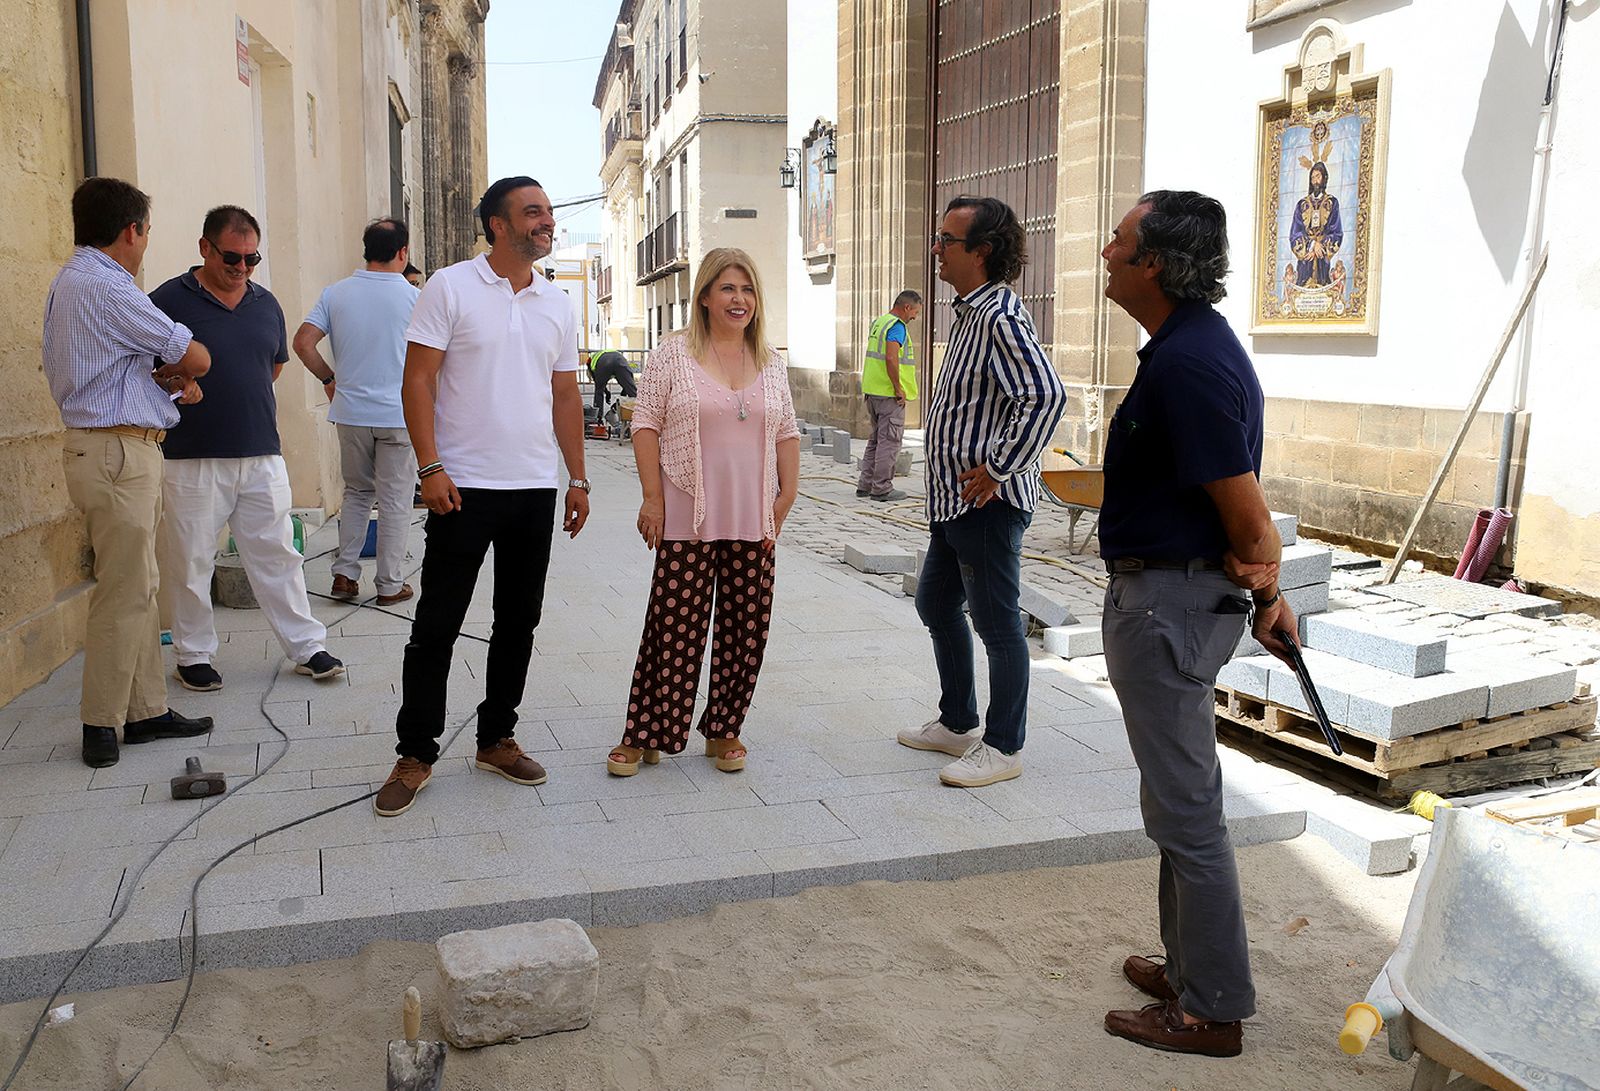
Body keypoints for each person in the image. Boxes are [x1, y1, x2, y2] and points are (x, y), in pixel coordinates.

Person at [1096, 190, 1298, 1058]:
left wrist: (1269, 592)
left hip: (1171, 605)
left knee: (1189, 813)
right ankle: (1189, 965)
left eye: (1119, 238)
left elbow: (1250, 518)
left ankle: (1212, 1006)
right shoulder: (1184, 349)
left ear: (1154, 263)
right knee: (1177, 803)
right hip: (1169, 599)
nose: (1106, 249)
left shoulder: (1189, 364)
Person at [375, 176, 591, 818]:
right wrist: (430, 466)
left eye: (549, 212)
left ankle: (496, 737)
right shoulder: (450, 286)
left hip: (532, 487)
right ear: (497, 225)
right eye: (533, 214)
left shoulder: (557, 302)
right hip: (461, 487)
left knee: (518, 621)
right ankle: (416, 751)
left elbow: (564, 396)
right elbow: (417, 380)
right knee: (437, 622)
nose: (546, 222)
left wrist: (576, 478)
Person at [41, 177, 216, 768]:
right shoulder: (108, 283)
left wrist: (158, 383)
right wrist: (182, 370)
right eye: (145, 232)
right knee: (124, 588)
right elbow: (195, 355)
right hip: (116, 451)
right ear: (131, 231)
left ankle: (146, 711)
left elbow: (112, 368)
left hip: (112, 447)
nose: (145, 244)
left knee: (139, 583)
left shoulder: (74, 279)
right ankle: (100, 722)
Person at [605, 248, 799, 778]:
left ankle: (724, 729)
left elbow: (786, 431)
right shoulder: (675, 354)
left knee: (746, 629)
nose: (739, 300)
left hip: (753, 516)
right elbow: (644, 423)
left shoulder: (771, 363)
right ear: (706, 297)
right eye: (728, 289)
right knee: (672, 628)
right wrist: (652, 497)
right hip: (687, 517)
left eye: (748, 290)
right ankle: (646, 731)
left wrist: (786, 496)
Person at [895, 196, 1065, 788]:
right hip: (952, 504)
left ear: (982, 252)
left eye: (947, 240)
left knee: (997, 623)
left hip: (986, 504)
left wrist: (998, 468)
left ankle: (1003, 745)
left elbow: (1044, 396)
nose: (936, 249)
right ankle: (958, 720)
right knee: (937, 604)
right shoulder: (971, 311)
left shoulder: (999, 317)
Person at [151, 205, 345, 692]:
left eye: (251, 258)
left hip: (260, 452)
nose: (242, 268)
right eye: (231, 258)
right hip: (192, 456)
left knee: (278, 553)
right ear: (204, 248)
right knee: (193, 559)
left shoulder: (266, 303)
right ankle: (193, 654)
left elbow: (272, 367)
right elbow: (144, 371)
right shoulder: (166, 300)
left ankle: (306, 646)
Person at [293, 218, 421, 606]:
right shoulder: (416, 298)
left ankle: (345, 575)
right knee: (396, 498)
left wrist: (329, 379)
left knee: (357, 492)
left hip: (350, 411)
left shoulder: (336, 294)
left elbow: (302, 343)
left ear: (366, 251)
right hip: (399, 415)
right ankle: (389, 583)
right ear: (403, 253)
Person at [856, 289, 922, 502]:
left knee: (875, 440)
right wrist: (898, 388)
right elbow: (891, 358)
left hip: (873, 391)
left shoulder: (879, 322)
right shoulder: (896, 327)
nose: (915, 317)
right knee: (889, 442)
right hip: (888, 394)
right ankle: (882, 488)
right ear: (906, 307)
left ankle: (865, 485)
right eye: (915, 312)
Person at [1289, 160, 1342, 288]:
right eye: (1312, 178)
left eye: (1318, 177)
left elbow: (1336, 232)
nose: (1315, 181)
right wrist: (1312, 245)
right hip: (1306, 259)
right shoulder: (1302, 204)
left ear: (1324, 178)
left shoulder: (1332, 202)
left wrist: (1320, 246)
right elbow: (1295, 233)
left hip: (1322, 259)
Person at [589, 349, 637, 415]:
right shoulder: (594, 359)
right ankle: (640, 416)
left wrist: (608, 394)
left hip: (603, 362)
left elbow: (599, 385)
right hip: (619, 360)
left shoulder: (590, 362)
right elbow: (627, 385)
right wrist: (621, 398)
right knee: (632, 391)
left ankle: (598, 418)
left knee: (598, 392)